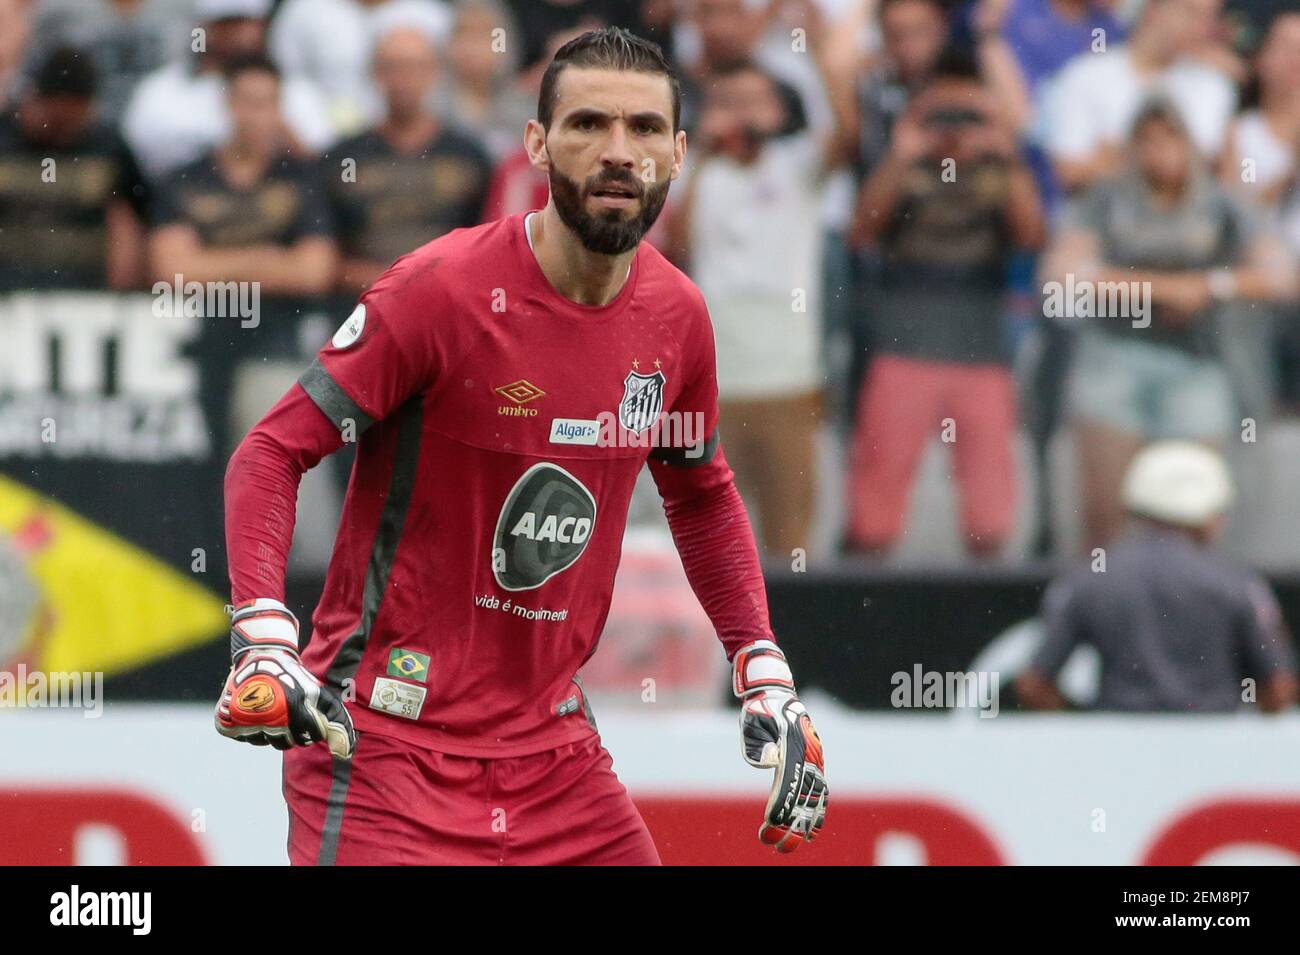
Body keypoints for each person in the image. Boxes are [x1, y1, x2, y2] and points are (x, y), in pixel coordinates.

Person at [215, 27, 827, 865]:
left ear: (680, 152)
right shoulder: (438, 290)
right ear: (537, 143)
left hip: (553, 760)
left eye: (645, 129)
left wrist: (764, 667)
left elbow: (701, 492)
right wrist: (264, 636)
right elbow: (270, 452)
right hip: (381, 746)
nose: (620, 152)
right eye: (588, 125)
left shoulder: (678, 317)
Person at [1042, 97, 1296, 549]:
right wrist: (1162, 289)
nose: (1158, 152)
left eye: (1169, 139)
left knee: (1193, 506)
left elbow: (1281, 276)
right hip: (1114, 359)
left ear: (1191, 146)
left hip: (1196, 363)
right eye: (1146, 140)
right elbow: (1060, 275)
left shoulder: (1221, 205)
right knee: (1106, 518)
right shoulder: (1105, 200)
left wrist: (1211, 286)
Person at [845, 51, 1046, 558]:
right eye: (944, 114)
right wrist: (904, 151)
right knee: (874, 511)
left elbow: (1030, 238)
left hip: (981, 348)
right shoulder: (903, 165)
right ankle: (865, 606)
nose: (955, 128)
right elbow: (862, 231)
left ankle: (982, 609)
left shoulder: (1001, 170)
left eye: (968, 114)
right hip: (904, 344)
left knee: (990, 516)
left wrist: (1005, 150)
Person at [1016, 441, 1299, 712]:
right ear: (1209, 513)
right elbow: (1278, 688)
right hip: (1214, 750)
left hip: (1115, 750)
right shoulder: (1237, 583)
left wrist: (1086, 722)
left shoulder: (1089, 579)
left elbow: (1034, 685)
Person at [148, 55, 338, 299]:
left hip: (284, 324)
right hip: (203, 321)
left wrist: (211, 265)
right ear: (227, 103)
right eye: (248, 102)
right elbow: (172, 272)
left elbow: (314, 273)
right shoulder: (184, 179)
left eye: (267, 103)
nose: (256, 116)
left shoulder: (302, 179)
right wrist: (263, 260)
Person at [321, 27, 492, 295]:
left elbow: (487, 249)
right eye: (394, 67)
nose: (404, 79)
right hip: (359, 303)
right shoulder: (342, 158)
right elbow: (323, 258)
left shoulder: (469, 155)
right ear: (375, 73)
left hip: (449, 300)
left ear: (434, 72)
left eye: (415, 67)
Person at [121, 0, 335, 181]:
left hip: (278, 209)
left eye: (247, 22)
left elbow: (321, 167)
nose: (240, 34)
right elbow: (139, 166)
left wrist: (280, 131)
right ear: (202, 26)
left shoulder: (297, 90)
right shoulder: (160, 91)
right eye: (227, 23)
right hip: (187, 208)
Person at [1041, 0, 1238, 195]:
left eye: (1208, 17)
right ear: (1153, 9)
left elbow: (1224, 181)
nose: (1200, 28)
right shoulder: (1086, 74)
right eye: (1190, 12)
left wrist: (1116, 156)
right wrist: (1166, 162)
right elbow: (1067, 171)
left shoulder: (1215, 87)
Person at [0, 46, 149, 292]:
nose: (66, 129)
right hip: (8, 289)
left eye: (75, 119)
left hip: (85, 291)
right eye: (57, 119)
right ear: (35, 100)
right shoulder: (5, 141)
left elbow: (131, 219)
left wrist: (124, 287)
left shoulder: (107, 146)